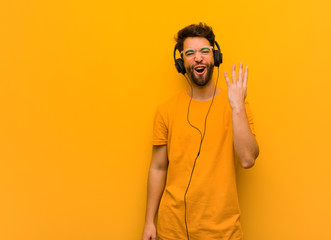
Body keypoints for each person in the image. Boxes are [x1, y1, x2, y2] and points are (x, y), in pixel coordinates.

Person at [141, 23, 259, 240]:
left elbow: (247, 159)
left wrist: (237, 107)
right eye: (190, 53)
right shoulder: (166, 110)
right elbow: (158, 168)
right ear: (181, 62)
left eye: (205, 51)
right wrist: (150, 221)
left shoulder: (237, 106)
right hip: (172, 231)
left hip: (224, 233)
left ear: (215, 57)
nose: (198, 58)